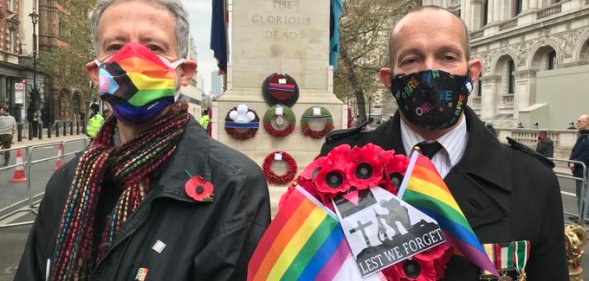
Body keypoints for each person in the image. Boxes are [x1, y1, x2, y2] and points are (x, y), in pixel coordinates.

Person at [15, 0, 270, 280]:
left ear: (183, 72)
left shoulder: (233, 185)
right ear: (96, 72)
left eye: (153, 48)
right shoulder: (67, 182)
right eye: (115, 47)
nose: (133, 59)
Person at [321, 6, 567, 280]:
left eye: (447, 57)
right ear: (389, 80)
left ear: (472, 73)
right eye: (412, 60)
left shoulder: (532, 179)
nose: (430, 70)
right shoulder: (342, 164)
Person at [569, 114, 589, 222]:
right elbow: (574, 150)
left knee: (584, 195)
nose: (577, 123)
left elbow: (587, 154)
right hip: (578, 170)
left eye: (580, 121)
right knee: (580, 194)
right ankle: (581, 215)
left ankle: (585, 217)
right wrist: (570, 162)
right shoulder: (582, 135)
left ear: (587, 123)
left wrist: (575, 163)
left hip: (584, 170)